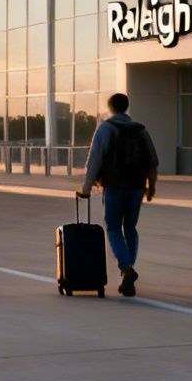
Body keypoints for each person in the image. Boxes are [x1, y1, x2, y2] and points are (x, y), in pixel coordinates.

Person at [76, 93, 159, 297]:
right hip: (137, 187)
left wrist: (87, 187)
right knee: (130, 227)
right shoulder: (140, 130)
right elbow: (152, 161)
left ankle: (127, 268)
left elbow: (95, 158)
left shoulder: (106, 128)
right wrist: (152, 187)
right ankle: (127, 270)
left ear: (110, 107)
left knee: (113, 228)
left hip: (114, 185)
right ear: (127, 107)